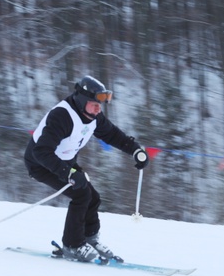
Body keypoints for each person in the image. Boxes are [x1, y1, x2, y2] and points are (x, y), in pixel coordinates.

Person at [24, 75, 149, 262]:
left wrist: (135, 150)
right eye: (94, 104)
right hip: (41, 163)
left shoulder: (93, 116)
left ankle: (89, 239)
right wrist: (69, 173)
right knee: (81, 195)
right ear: (82, 100)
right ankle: (72, 245)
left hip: (64, 161)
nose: (98, 109)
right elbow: (41, 152)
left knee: (93, 197)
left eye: (100, 105)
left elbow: (112, 134)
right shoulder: (62, 116)